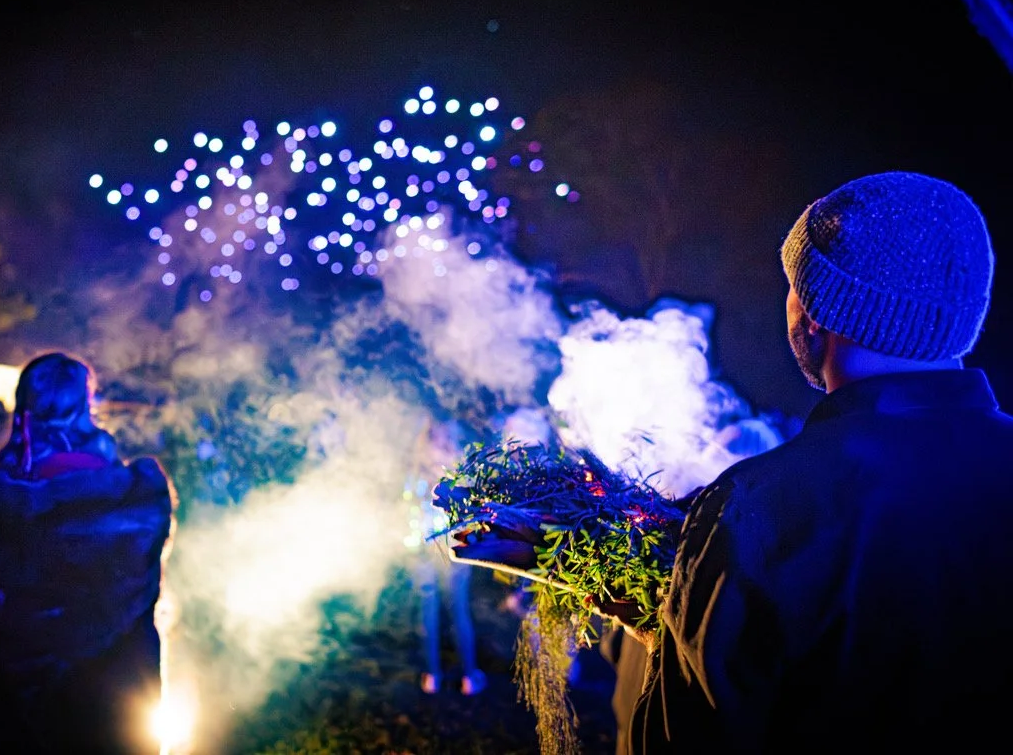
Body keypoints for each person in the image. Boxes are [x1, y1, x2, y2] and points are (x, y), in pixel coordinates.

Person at [449, 171, 1013, 753]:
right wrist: (618, 582)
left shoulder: (761, 506)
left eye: (793, 285)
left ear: (814, 311)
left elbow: (688, 733)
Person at [0, 351, 177, 753]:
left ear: (23, 409)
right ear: (88, 408)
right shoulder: (131, 503)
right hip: (103, 716)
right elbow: (139, 626)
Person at [408, 416, 487, 696]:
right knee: (458, 610)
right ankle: (468, 676)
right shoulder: (455, 469)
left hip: (424, 545)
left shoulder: (417, 469)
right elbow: (469, 508)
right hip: (452, 547)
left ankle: (434, 676)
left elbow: (408, 503)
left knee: (430, 611)